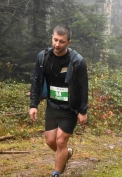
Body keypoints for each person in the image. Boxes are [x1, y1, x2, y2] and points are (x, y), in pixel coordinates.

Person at [29, 25, 88, 177]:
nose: (57, 44)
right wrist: (33, 105)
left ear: (68, 42)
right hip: (52, 105)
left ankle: (56, 173)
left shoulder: (77, 61)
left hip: (70, 108)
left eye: (61, 41)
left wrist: (83, 111)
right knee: (50, 141)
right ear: (52, 38)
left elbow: (83, 87)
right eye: (55, 40)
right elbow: (36, 81)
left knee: (61, 141)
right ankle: (65, 154)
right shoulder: (43, 58)